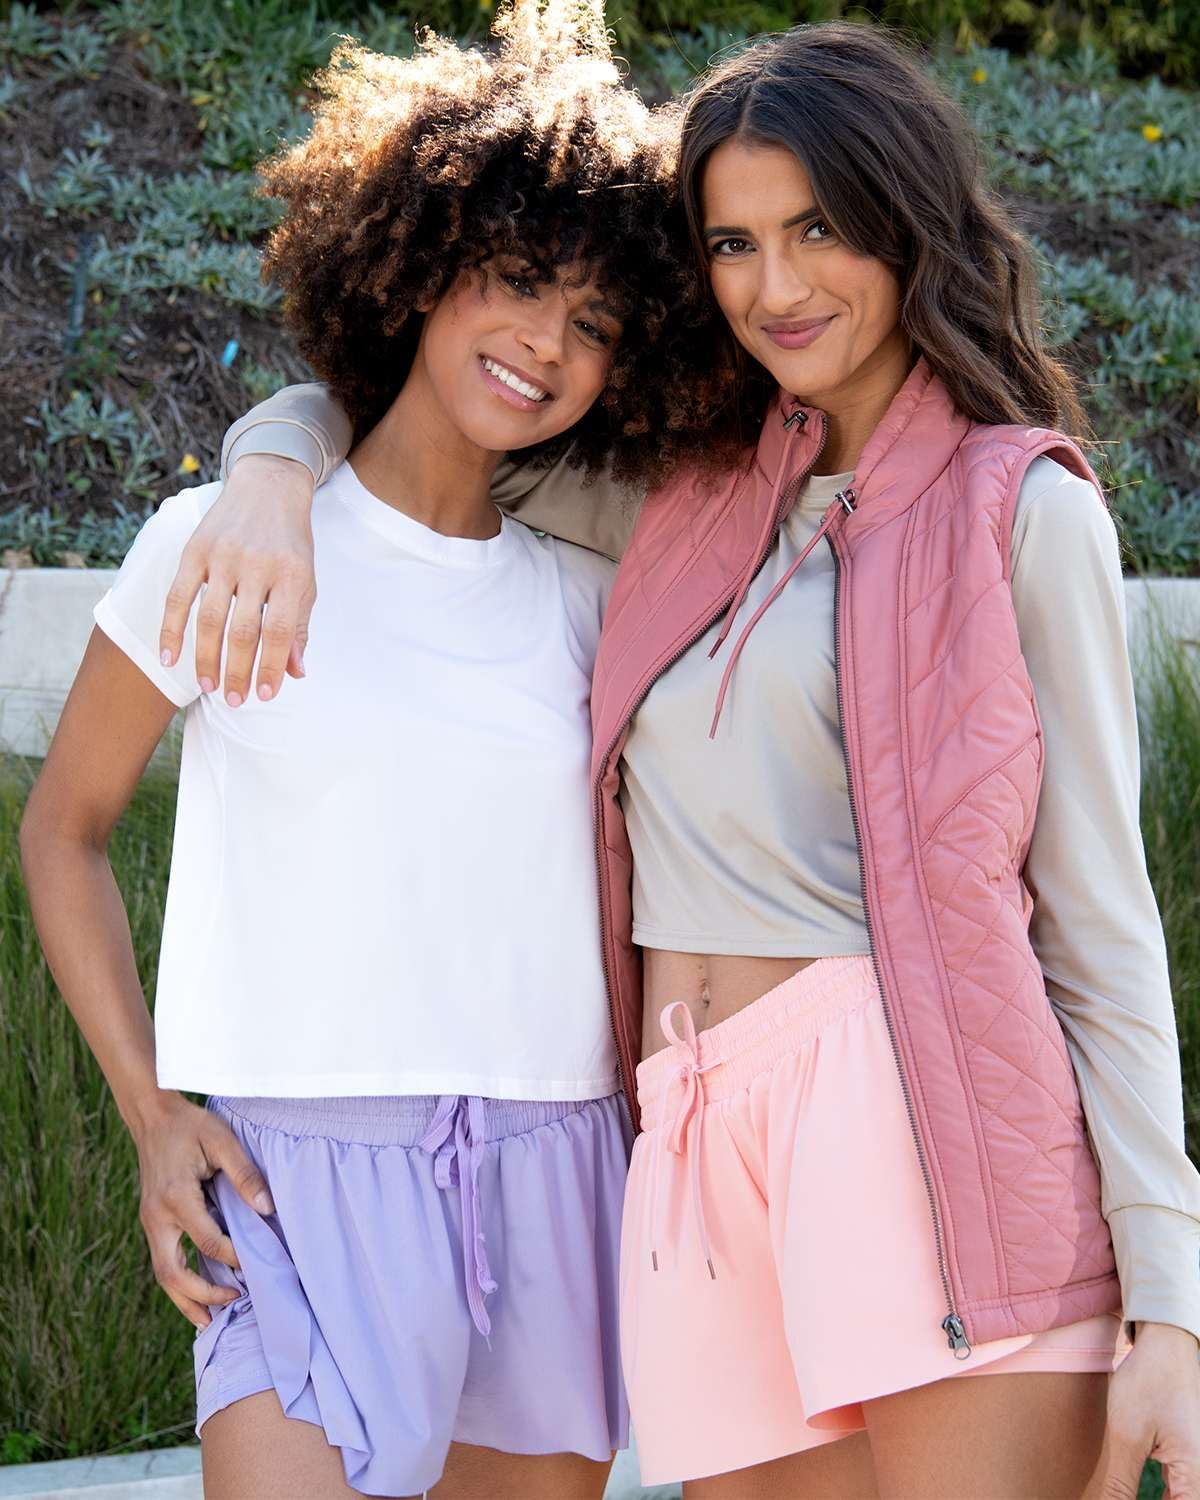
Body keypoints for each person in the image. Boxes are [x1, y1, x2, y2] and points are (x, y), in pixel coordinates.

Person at [159, 21, 1200, 1500]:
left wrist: (1173, 1299)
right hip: (695, 1139)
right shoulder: (689, 489)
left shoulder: (1021, 509)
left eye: (818, 230)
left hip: (921, 1122)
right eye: (732, 244)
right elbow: (431, 420)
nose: (776, 287)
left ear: (907, 224)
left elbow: (1102, 926)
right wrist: (268, 468)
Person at [18, 6, 729, 1497]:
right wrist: (151, 1111)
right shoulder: (218, 546)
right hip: (289, 1177)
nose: (545, 344)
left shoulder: (592, 604)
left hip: (556, 1168)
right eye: (519, 280)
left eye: (596, 323)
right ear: (423, 256)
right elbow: (62, 830)